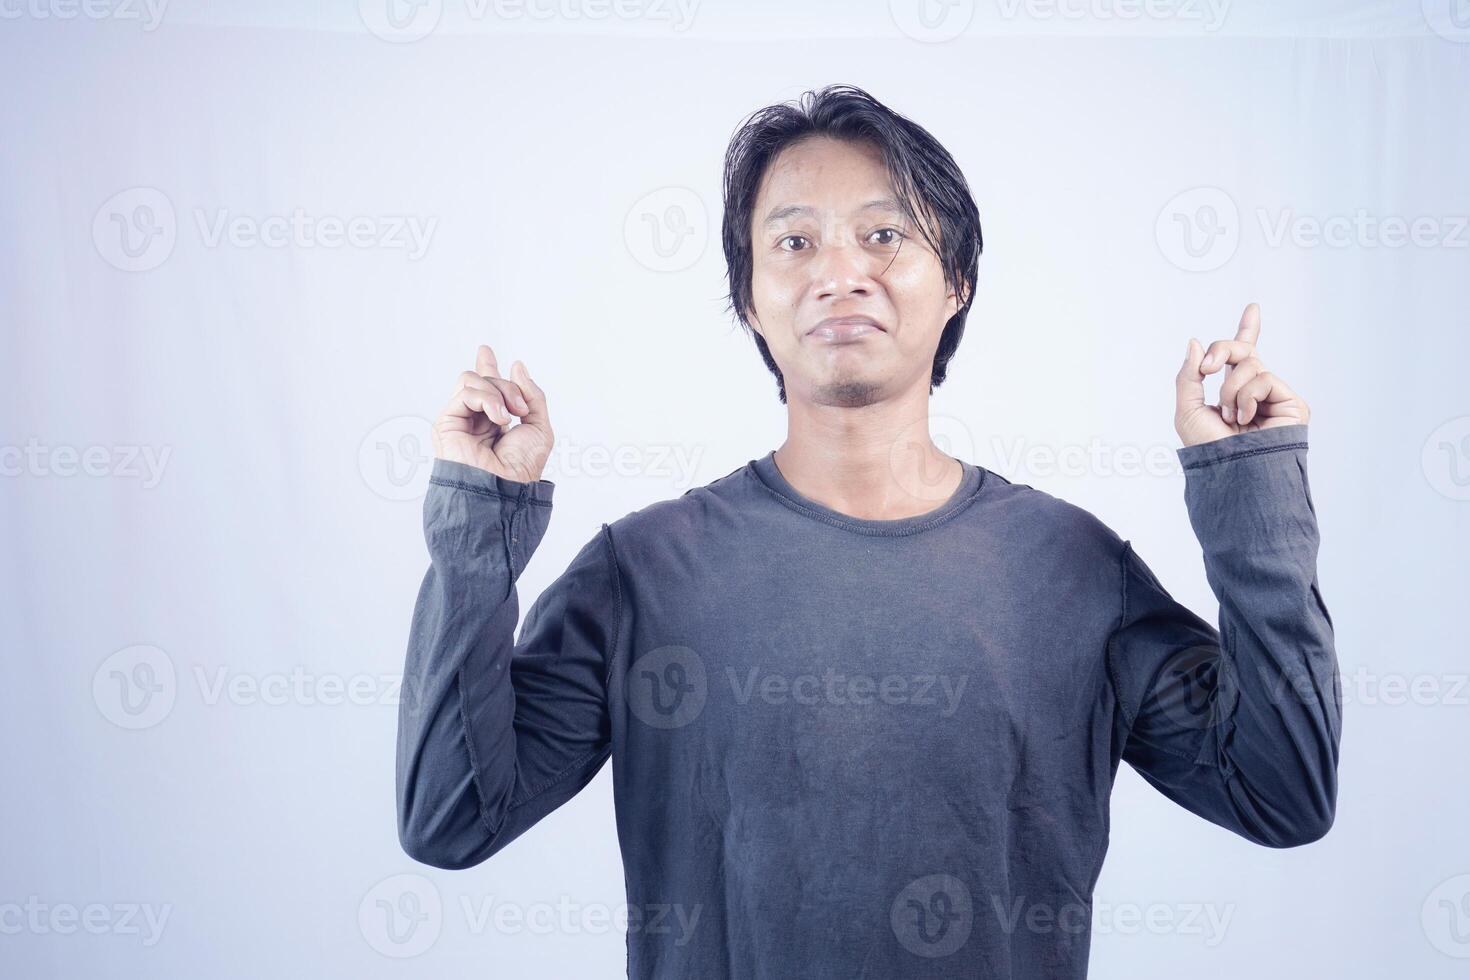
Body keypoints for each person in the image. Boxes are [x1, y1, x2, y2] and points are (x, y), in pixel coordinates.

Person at [395, 84, 1340, 979]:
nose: (839, 274)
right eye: (794, 243)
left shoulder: (1073, 570)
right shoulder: (643, 573)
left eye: (884, 235)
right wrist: (479, 520)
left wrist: (1251, 489)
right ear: (751, 303)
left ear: (958, 279)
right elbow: (452, 816)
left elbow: (1282, 791)